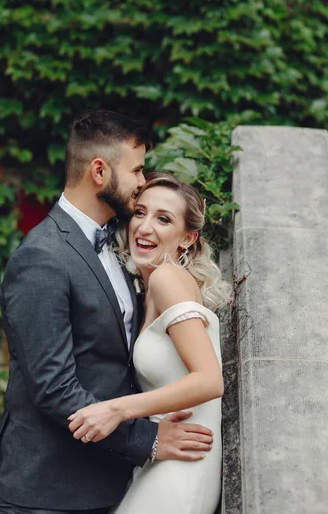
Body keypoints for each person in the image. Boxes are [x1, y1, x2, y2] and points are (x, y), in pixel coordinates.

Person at [0, 111, 214, 514]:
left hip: (112, 481)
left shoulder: (124, 246)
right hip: (52, 490)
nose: (142, 183)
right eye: (136, 170)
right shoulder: (42, 259)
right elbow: (54, 388)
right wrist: (147, 438)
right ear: (99, 171)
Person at [68, 171, 228, 514]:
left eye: (163, 219)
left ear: (187, 238)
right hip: (167, 458)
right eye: (140, 212)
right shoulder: (151, 286)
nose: (144, 227)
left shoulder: (168, 279)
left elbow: (209, 380)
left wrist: (116, 410)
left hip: (183, 469)